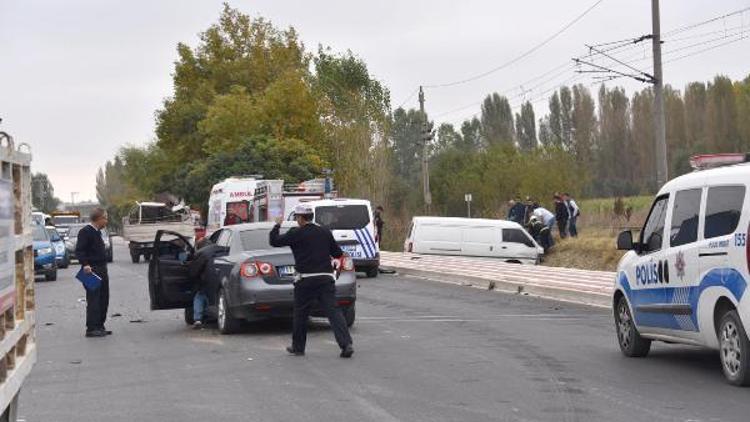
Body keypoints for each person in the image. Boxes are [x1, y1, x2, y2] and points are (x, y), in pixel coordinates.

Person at [269, 204, 354, 358]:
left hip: (305, 280)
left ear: (300, 218)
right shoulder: (324, 232)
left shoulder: (296, 233)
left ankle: (298, 347)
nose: (296, 220)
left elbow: (274, 241)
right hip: (325, 279)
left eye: (296, 217)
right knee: (334, 312)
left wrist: (277, 224)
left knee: (300, 313)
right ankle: (346, 344)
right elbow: (337, 253)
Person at [75, 208, 111, 338]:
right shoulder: (85, 232)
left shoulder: (98, 232)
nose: (106, 221)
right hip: (92, 270)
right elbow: (80, 250)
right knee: (94, 299)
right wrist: (85, 264)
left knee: (104, 298)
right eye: (105, 218)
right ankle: (92, 328)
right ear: (99, 219)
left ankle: (100, 325)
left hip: (102, 268)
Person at [188, 237, 223, 329]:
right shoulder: (221, 249)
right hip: (222, 280)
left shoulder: (201, 254)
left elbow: (193, 272)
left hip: (207, 283)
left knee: (199, 296)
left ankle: (198, 319)